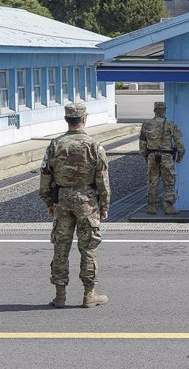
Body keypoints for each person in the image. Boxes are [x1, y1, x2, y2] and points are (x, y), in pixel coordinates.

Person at [39, 103, 110, 308]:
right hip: (87, 200)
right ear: (84, 119)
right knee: (88, 247)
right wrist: (104, 204)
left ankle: (60, 295)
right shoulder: (94, 146)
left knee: (61, 247)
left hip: (61, 199)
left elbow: (45, 175)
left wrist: (49, 201)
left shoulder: (54, 145)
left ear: (66, 119)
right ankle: (89, 294)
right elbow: (102, 180)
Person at [139, 101, 185, 214]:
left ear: (154, 111)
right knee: (169, 181)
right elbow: (179, 144)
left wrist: (145, 156)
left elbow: (142, 143)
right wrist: (180, 156)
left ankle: (151, 206)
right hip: (167, 156)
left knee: (152, 181)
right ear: (165, 110)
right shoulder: (171, 124)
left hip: (152, 156)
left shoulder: (146, 124)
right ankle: (169, 207)